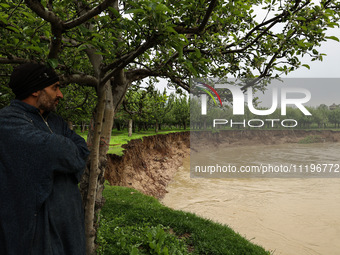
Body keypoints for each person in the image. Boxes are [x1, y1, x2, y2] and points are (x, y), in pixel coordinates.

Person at [0, 63, 90, 255]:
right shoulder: (8, 121)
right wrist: (64, 153)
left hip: (68, 229)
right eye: (54, 88)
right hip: (37, 234)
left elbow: (82, 148)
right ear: (35, 90)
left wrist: (61, 156)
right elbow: (58, 151)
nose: (60, 95)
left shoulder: (55, 121)